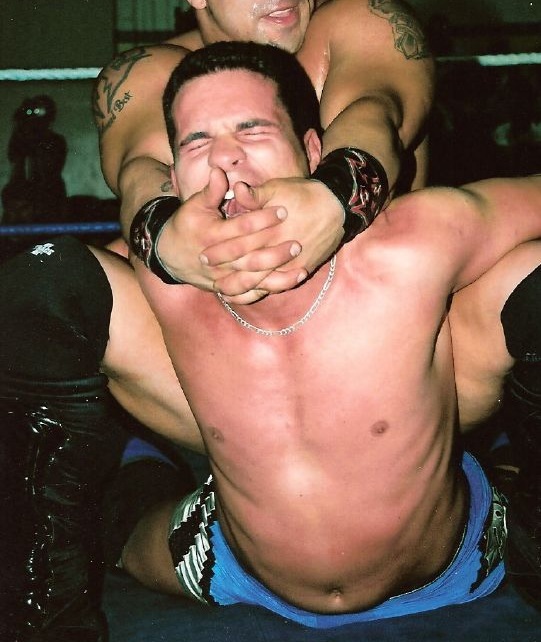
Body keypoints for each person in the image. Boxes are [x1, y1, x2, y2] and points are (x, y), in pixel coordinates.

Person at [122, 41, 541, 626]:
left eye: (252, 129)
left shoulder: (408, 242)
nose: (225, 158)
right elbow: (111, 219)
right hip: (229, 560)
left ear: (312, 150)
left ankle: (516, 474)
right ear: (173, 176)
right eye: (197, 141)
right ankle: (137, 464)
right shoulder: (160, 273)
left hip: (465, 557)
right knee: (123, 524)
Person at [94, 0, 434, 302]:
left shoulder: (362, 20)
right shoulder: (148, 72)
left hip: (381, 299)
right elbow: (142, 167)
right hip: (217, 329)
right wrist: (164, 239)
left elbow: (372, 113)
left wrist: (333, 197)